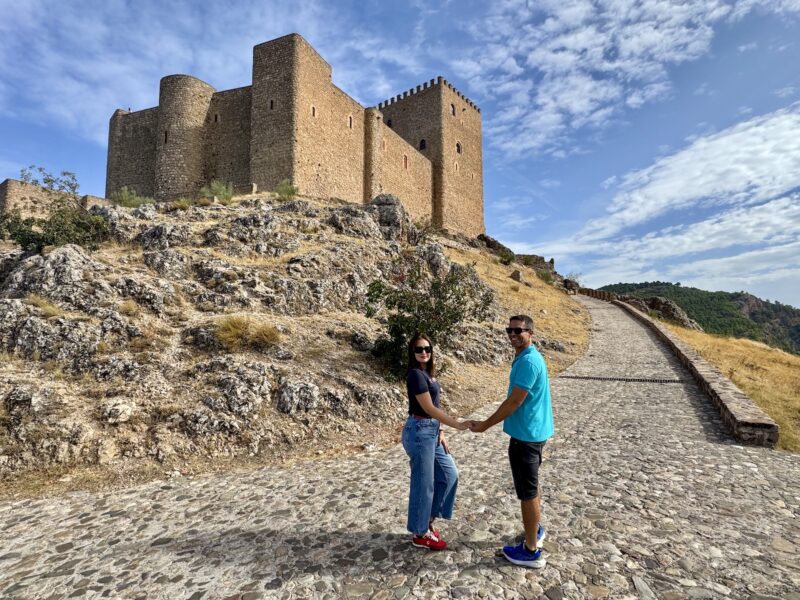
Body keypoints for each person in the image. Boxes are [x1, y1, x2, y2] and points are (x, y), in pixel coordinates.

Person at [468, 315, 554, 568]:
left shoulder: (528, 361)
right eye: (510, 330)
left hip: (526, 437)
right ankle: (534, 530)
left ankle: (530, 551)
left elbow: (514, 402)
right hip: (535, 432)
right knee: (532, 486)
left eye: (519, 330)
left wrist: (484, 425)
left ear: (531, 332)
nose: (513, 334)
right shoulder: (529, 356)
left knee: (527, 493)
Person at [402, 333, 468, 551]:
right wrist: (457, 424)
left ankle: (426, 520)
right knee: (424, 484)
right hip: (420, 432)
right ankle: (420, 533)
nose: (424, 353)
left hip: (432, 431)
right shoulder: (415, 375)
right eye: (419, 349)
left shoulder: (427, 374)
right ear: (412, 353)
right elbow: (429, 408)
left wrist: (440, 430)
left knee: (450, 474)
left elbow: (434, 407)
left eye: (427, 349)